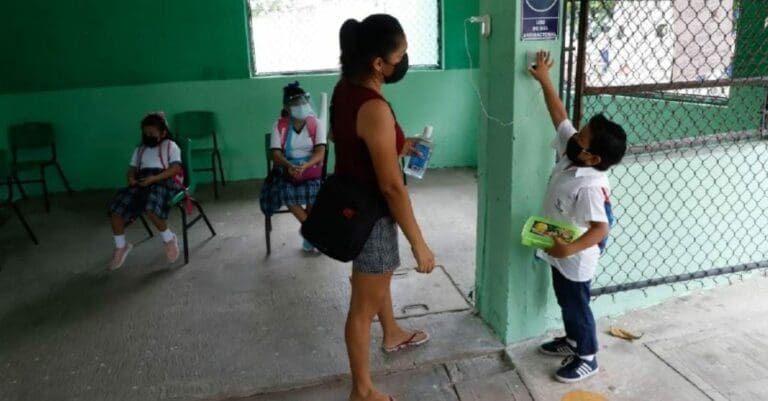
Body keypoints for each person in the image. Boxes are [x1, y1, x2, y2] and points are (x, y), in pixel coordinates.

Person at [331, 14, 436, 401]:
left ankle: (391, 333)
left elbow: (356, 143)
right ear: (379, 63)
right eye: (401, 55)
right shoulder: (374, 107)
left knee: (375, 280)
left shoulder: (345, 90)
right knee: (362, 306)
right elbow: (392, 187)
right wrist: (418, 243)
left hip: (353, 204)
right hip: (371, 213)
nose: (403, 61)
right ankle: (362, 391)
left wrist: (396, 144)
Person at [529, 50, 628, 383]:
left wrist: (568, 250)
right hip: (561, 245)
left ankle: (587, 355)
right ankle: (571, 341)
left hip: (575, 254)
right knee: (565, 297)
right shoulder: (575, 154)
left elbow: (601, 229)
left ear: (593, 157)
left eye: (581, 138)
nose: (574, 136)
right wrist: (544, 78)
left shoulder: (589, 185)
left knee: (577, 304)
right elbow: (559, 115)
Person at [108, 112, 183, 270]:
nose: (147, 136)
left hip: (162, 182)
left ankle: (169, 239)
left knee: (150, 208)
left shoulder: (170, 146)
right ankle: (121, 246)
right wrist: (131, 178)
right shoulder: (140, 149)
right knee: (116, 209)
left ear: (162, 133)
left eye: (151, 133)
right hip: (142, 182)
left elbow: (176, 169)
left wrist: (154, 179)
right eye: (145, 133)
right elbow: (132, 169)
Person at [261, 81, 327, 252]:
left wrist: (307, 165)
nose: (301, 107)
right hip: (288, 170)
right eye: (296, 104)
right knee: (285, 193)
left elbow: (320, 152)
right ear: (287, 108)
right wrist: (289, 165)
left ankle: (310, 236)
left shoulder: (316, 124)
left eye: (303, 102)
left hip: (311, 170)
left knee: (315, 193)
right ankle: (314, 234)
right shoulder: (279, 126)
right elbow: (275, 154)